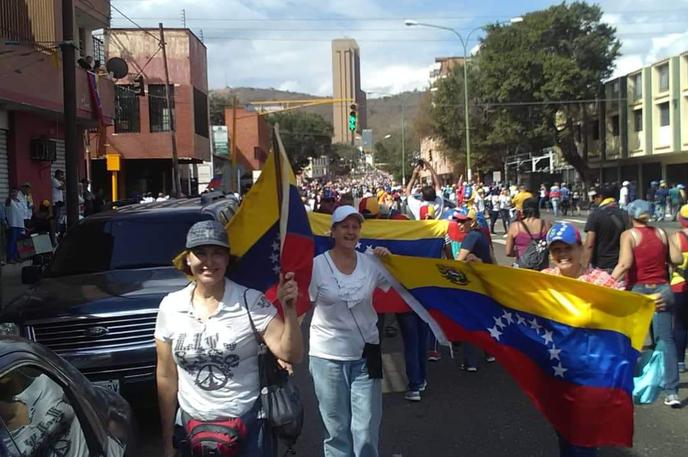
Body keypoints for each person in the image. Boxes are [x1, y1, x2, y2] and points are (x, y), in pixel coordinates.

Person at [155, 220, 303, 457]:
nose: (209, 262)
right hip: (192, 432)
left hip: (249, 429)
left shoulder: (251, 302)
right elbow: (166, 375)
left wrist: (291, 311)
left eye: (217, 254)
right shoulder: (170, 306)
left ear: (227, 259)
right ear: (188, 259)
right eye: (200, 253)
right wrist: (167, 439)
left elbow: (291, 354)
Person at [308, 205, 392, 457]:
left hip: (367, 354)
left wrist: (389, 261)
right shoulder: (315, 266)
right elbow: (300, 303)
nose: (350, 231)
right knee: (336, 430)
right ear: (332, 231)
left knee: (366, 428)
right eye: (344, 226)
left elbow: (403, 283)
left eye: (355, 226)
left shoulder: (371, 262)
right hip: (327, 357)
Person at [541, 222, 627, 457]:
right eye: (556, 250)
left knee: (583, 441)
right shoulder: (543, 281)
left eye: (567, 248)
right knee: (565, 435)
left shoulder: (599, 280)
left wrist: (649, 303)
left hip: (591, 373)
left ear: (580, 249)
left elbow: (626, 306)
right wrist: (479, 272)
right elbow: (509, 293)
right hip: (558, 372)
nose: (562, 255)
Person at [611, 200, 683, 408]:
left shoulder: (629, 235)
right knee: (665, 340)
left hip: (638, 291)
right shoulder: (661, 233)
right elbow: (676, 259)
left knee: (631, 339)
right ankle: (672, 392)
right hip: (663, 290)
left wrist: (605, 284)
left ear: (630, 216)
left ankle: (627, 384)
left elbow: (625, 264)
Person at [453, 208, 496, 371]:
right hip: (486, 283)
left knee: (470, 321)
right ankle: (490, 353)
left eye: (463, 221)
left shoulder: (470, 237)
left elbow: (458, 261)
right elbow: (493, 260)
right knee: (485, 320)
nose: (459, 224)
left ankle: (470, 362)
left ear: (472, 221)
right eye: (457, 221)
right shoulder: (482, 235)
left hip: (474, 285)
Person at [580, 185, 629, 273]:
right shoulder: (625, 214)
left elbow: (589, 245)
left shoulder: (595, 215)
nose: (593, 200)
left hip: (602, 265)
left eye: (595, 197)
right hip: (621, 266)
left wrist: (583, 268)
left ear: (600, 197)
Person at [505, 198, 551, 269]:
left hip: (522, 268)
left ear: (523, 210)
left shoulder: (515, 226)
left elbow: (508, 252)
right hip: (542, 268)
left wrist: (521, 254)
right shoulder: (546, 225)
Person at [671, 204, 688, 373]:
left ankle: (680, 362)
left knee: (680, 325)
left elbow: (671, 262)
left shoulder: (677, 237)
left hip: (680, 284)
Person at [5, 189, 25, 264]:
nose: (14, 193)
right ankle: (10, 258)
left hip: (20, 224)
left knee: (17, 242)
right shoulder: (9, 201)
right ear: (10, 193)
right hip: (13, 224)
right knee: (12, 242)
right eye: (12, 192)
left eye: (15, 192)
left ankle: (16, 257)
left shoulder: (19, 201)